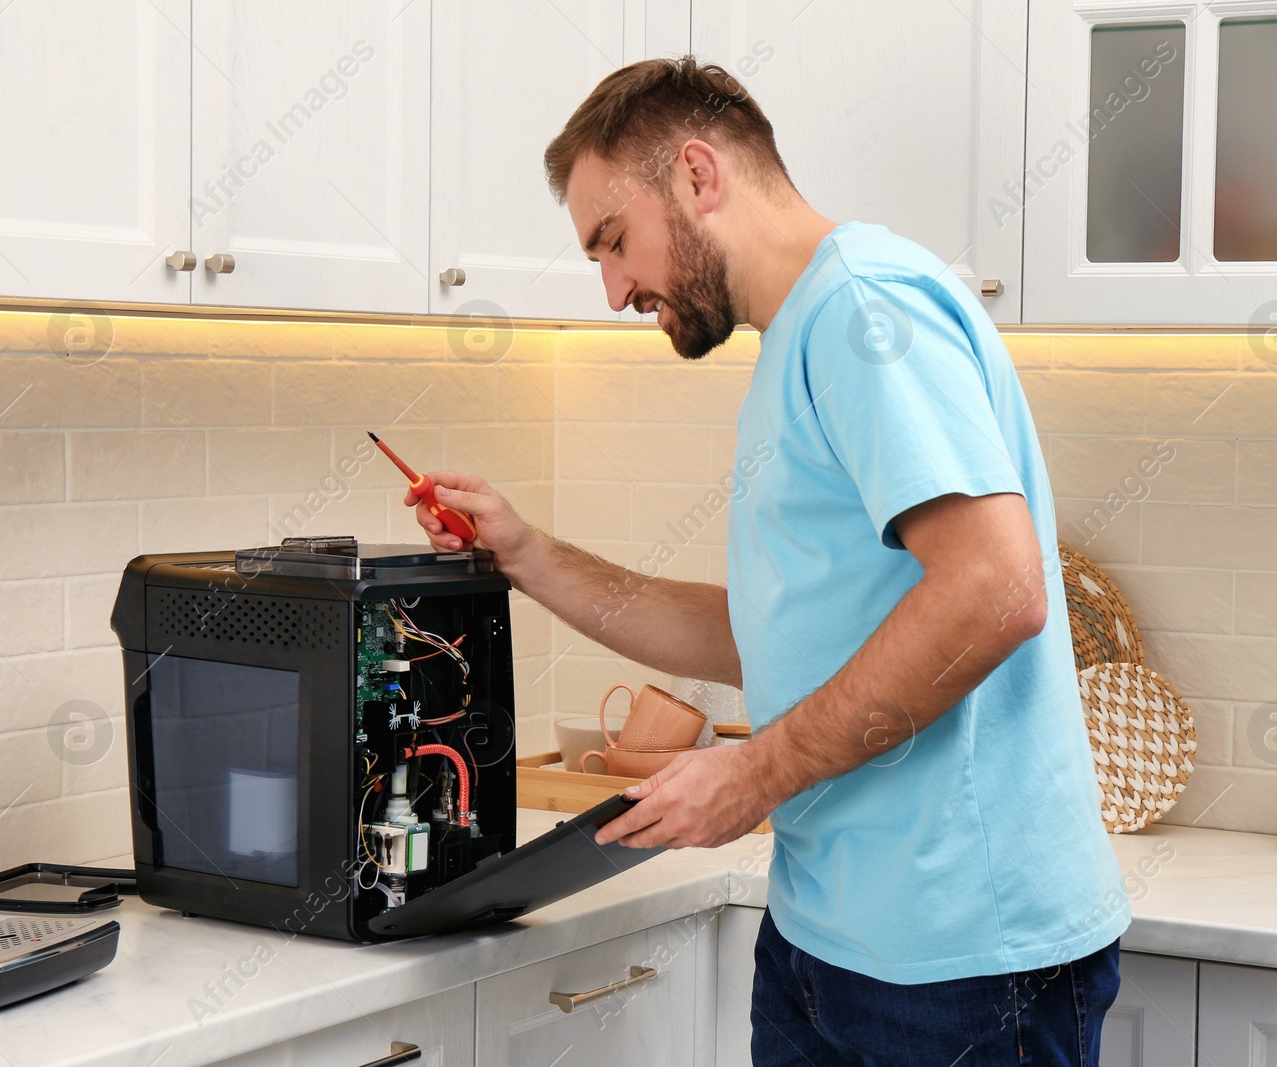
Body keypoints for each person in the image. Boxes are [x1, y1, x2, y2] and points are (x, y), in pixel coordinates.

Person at [408, 56, 1129, 1067]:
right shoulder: (800, 334)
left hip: (958, 960)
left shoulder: (864, 309)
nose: (614, 288)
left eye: (614, 243)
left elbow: (997, 589)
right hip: (827, 937)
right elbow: (767, 634)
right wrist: (525, 553)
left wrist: (753, 772)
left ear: (699, 177)